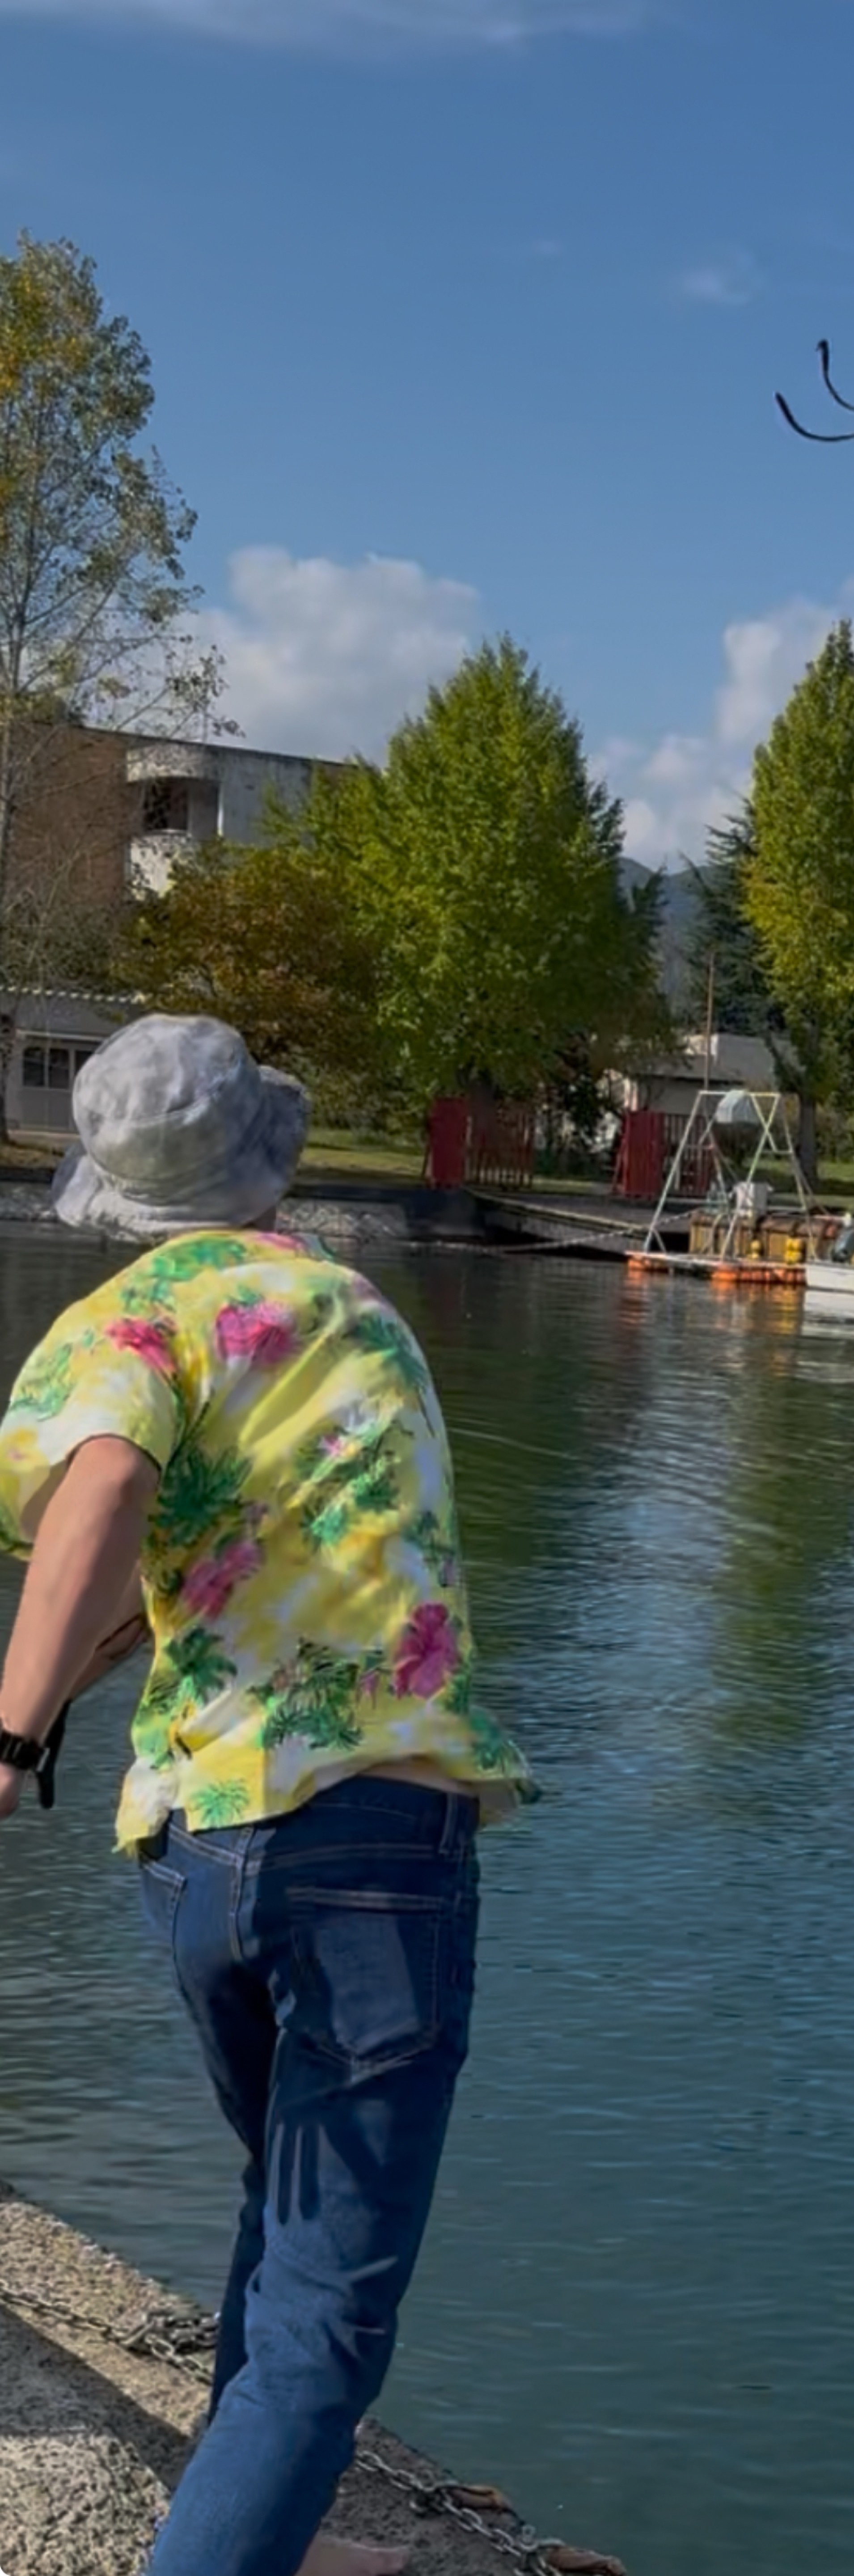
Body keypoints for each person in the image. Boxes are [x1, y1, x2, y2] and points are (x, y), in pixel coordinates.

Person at [0, 1016, 533, 2576]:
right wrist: (8, 1739)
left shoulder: (122, 1324)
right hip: (376, 1835)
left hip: (198, 1849)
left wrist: (34, 1726)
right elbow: (111, 1494)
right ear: (265, 1160)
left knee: (288, 2194)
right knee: (327, 2307)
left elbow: (125, 1525)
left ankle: (266, 2538)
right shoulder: (351, 1310)